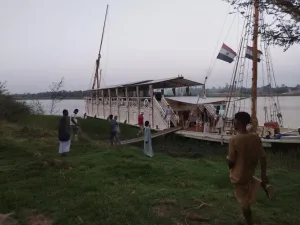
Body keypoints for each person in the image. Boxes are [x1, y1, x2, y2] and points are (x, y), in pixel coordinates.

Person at [227, 112, 275, 225]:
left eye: (234, 121)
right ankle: (265, 185)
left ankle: (249, 222)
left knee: (243, 202)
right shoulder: (255, 137)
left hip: (239, 175)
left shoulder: (234, 140)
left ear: (237, 123)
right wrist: (264, 174)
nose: (233, 123)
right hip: (249, 172)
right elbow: (263, 157)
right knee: (250, 180)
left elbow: (231, 160)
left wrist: (228, 163)